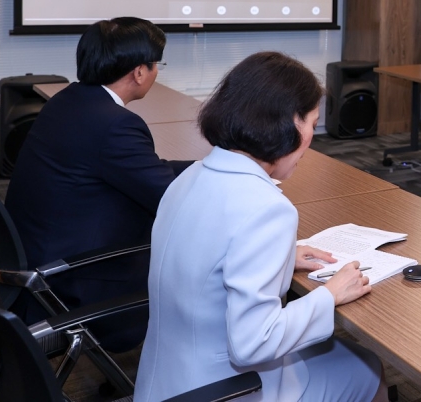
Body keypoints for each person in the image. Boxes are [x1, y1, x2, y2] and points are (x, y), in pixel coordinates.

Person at [135, 52, 387, 402]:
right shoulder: (268, 209)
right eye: (313, 123)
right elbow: (253, 344)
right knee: (368, 367)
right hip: (225, 390)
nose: (312, 139)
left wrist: (282, 255)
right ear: (290, 124)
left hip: (165, 383)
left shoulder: (189, 177)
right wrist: (329, 295)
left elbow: (205, 252)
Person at [5, 17, 191, 351]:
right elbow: (170, 198)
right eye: (157, 64)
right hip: (74, 280)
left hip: (33, 256)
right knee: (190, 262)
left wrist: (204, 169)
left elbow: (144, 171)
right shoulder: (116, 125)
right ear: (139, 72)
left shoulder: (70, 100)